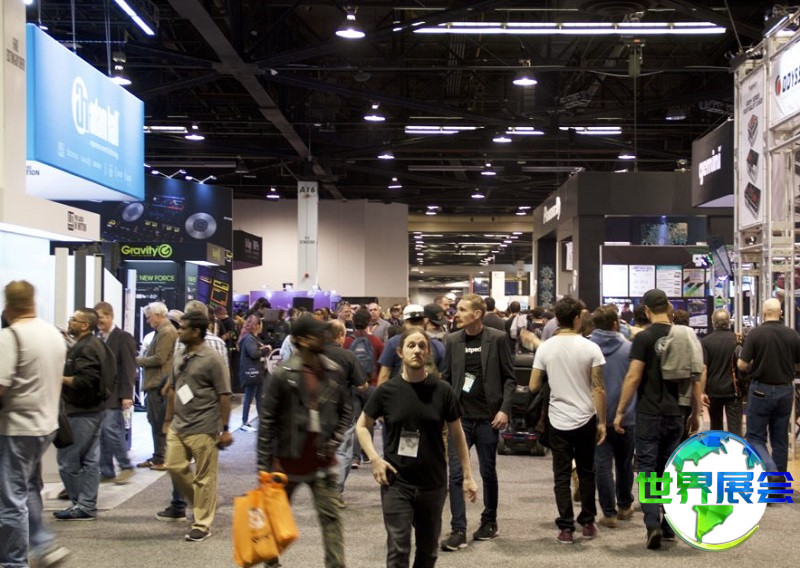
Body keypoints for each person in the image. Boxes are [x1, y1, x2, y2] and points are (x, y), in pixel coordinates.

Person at [357, 328, 478, 568]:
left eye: (422, 346)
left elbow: (457, 434)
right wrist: (374, 458)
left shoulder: (442, 390)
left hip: (432, 483)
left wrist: (467, 475)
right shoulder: (386, 391)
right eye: (411, 345)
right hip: (396, 482)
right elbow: (361, 426)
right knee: (398, 549)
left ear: (428, 352)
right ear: (400, 352)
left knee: (427, 552)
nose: (417, 350)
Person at [258, 315, 351, 568]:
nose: (323, 337)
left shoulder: (333, 371)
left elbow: (345, 410)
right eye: (316, 334)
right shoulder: (283, 374)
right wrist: (263, 466)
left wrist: (336, 438)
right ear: (301, 340)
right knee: (275, 518)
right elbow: (267, 421)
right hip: (286, 462)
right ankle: (271, 562)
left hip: (322, 462)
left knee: (331, 519)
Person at [613, 289, 701, 550]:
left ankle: (652, 523)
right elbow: (695, 378)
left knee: (648, 468)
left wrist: (620, 411)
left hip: (649, 413)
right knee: (671, 469)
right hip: (676, 412)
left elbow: (633, 377)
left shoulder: (643, 338)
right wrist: (696, 413)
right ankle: (670, 525)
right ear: (669, 308)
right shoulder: (684, 336)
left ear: (647, 310)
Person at [0, 281, 70, 567]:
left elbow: (1, 385)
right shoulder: (53, 334)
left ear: (7, 307)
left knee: (10, 498)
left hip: (17, 427)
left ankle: (14, 562)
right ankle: (42, 544)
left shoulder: (10, 336)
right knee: (27, 486)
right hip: (45, 425)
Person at [440, 294, 515, 552]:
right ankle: (458, 529)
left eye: (462, 310)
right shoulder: (452, 340)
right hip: (459, 420)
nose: (457, 314)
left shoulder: (498, 339)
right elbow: (447, 378)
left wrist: (504, 410)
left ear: (477, 314)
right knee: (456, 474)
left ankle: (489, 521)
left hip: (488, 418)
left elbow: (510, 378)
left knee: (487, 471)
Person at [529, 297, 606, 544]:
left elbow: (533, 385)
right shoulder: (591, 348)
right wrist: (602, 422)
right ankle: (588, 522)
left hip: (557, 418)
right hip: (586, 418)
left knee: (561, 475)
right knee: (586, 471)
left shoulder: (545, 348)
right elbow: (598, 388)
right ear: (577, 318)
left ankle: (565, 527)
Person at [163, 311, 233, 542]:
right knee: (174, 466)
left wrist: (225, 429)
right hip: (178, 424)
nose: (178, 331)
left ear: (196, 331)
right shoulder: (180, 355)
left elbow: (224, 395)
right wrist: (167, 420)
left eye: (183, 328)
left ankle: (202, 524)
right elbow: (173, 389)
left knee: (205, 477)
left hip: (204, 425)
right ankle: (205, 502)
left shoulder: (213, 359)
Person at [55, 307, 108, 521]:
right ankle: (86, 505)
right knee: (90, 460)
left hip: (82, 412)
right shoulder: (92, 344)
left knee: (67, 459)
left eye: (73, 319)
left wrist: (59, 378)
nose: (70, 322)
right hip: (92, 410)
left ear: (85, 325)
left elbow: (86, 380)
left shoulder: (87, 347)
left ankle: (80, 503)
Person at [737, 298, 800, 475]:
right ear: (780, 313)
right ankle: (778, 484)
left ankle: (770, 470)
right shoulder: (793, 335)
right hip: (785, 390)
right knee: (780, 440)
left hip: (760, 390)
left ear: (763, 313)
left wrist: (755, 365)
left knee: (755, 437)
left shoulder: (755, 334)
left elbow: (741, 364)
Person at [587, 306, 634, 528]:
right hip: (626, 415)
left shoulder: (586, 348)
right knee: (625, 463)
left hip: (596, 416)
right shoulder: (629, 348)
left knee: (602, 465)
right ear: (616, 324)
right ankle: (624, 505)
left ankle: (609, 513)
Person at [324, 319, 369, 506]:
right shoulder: (348, 356)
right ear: (340, 335)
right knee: (343, 453)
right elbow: (362, 385)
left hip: (316, 412)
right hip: (342, 412)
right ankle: (335, 493)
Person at [95, 301, 137, 484]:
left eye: (102, 317)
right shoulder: (98, 338)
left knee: (110, 429)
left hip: (115, 393)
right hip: (100, 395)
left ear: (110, 316)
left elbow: (129, 367)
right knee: (102, 433)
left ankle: (126, 466)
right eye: (97, 318)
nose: (99, 321)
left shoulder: (123, 338)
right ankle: (106, 470)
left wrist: (127, 394)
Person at [135, 301, 178, 470]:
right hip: (156, 383)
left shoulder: (166, 332)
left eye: (149, 317)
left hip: (159, 383)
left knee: (159, 421)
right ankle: (158, 456)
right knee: (155, 420)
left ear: (159, 316)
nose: (147, 321)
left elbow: (160, 358)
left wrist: (137, 360)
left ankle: (162, 458)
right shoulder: (162, 332)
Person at [343, 308, 383, 469]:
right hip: (371, 385)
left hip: (353, 386)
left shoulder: (347, 342)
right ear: (369, 322)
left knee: (356, 422)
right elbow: (381, 365)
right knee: (369, 421)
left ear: (353, 322)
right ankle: (367, 453)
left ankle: (355, 458)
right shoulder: (376, 342)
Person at [378, 305, 445, 385]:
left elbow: (384, 374)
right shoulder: (437, 345)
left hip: (399, 390)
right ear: (425, 322)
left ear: (404, 322)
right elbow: (441, 376)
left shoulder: (393, 342)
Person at [700, 309, 742, 436]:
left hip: (713, 390)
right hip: (734, 390)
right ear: (729, 322)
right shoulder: (737, 340)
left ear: (713, 322)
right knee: (735, 430)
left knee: (715, 427)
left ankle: (717, 448)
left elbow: (704, 368)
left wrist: (702, 392)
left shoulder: (705, 341)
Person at [238, 315, 270, 432]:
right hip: (252, 373)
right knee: (249, 397)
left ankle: (263, 422)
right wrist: (266, 349)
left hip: (257, 373)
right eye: (261, 324)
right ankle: (244, 423)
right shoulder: (249, 339)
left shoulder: (252, 338)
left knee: (259, 398)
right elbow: (254, 353)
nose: (262, 327)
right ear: (256, 326)